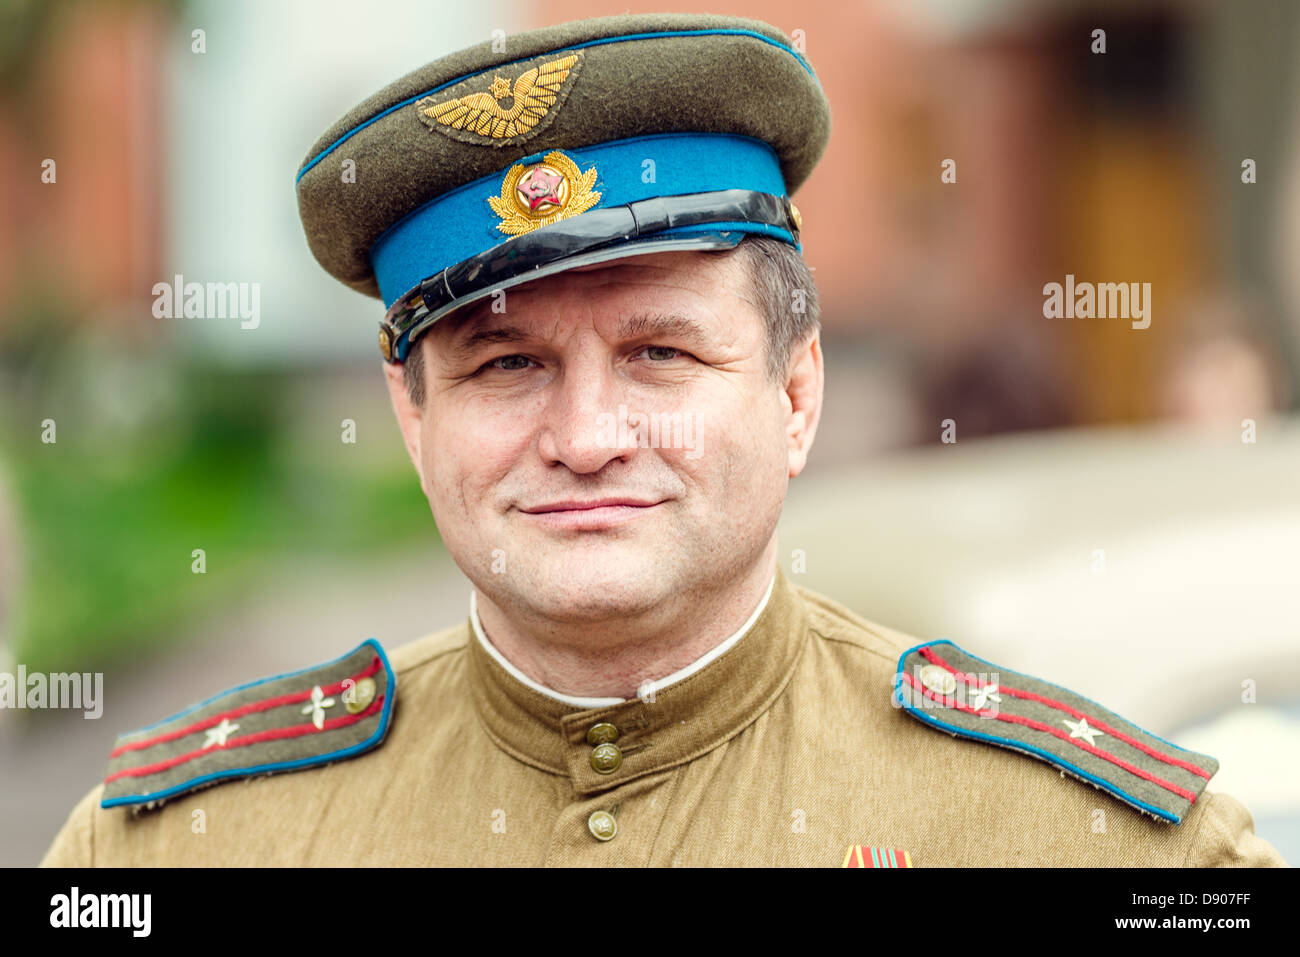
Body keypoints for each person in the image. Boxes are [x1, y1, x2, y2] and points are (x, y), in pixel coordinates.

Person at [40, 12, 1285, 867]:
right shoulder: (179, 846)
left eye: (660, 354)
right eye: (506, 365)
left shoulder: (1099, 845)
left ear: (798, 391)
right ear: (412, 420)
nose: (584, 436)